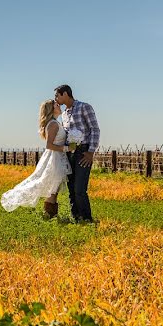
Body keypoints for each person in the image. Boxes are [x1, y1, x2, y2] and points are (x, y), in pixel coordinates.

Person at [1, 99, 71, 217]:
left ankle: (50, 214)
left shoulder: (54, 122)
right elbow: (49, 145)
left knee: (53, 188)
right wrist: (67, 149)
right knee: (52, 188)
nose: (59, 106)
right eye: (56, 105)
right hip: (55, 159)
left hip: (57, 157)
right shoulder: (53, 124)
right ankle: (49, 214)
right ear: (51, 109)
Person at [54, 84, 100, 224]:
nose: (56, 98)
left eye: (57, 95)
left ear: (66, 94)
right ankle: (76, 218)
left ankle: (87, 219)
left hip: (83, 152)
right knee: (72, 188)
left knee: (80, 188)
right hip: (69, 153)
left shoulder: (84, 107)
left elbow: (95, 129)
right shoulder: (64, 114)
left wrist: (90, 152)